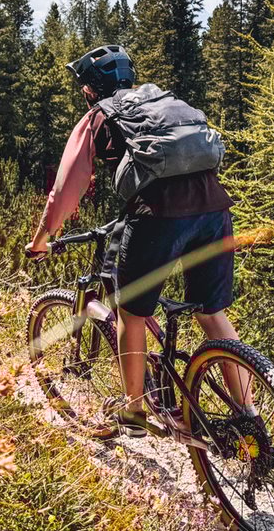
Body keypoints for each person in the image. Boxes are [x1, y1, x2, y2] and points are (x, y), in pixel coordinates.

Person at [26, 44, 242, 436]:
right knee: (211, 313)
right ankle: (249, 416)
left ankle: (133, 412)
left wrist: (42, 238)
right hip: (213, 208)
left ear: (91, 89)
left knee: (131, 313)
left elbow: (64, 192)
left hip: (156, 214)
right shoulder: (162, 101)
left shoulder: (98, 118)